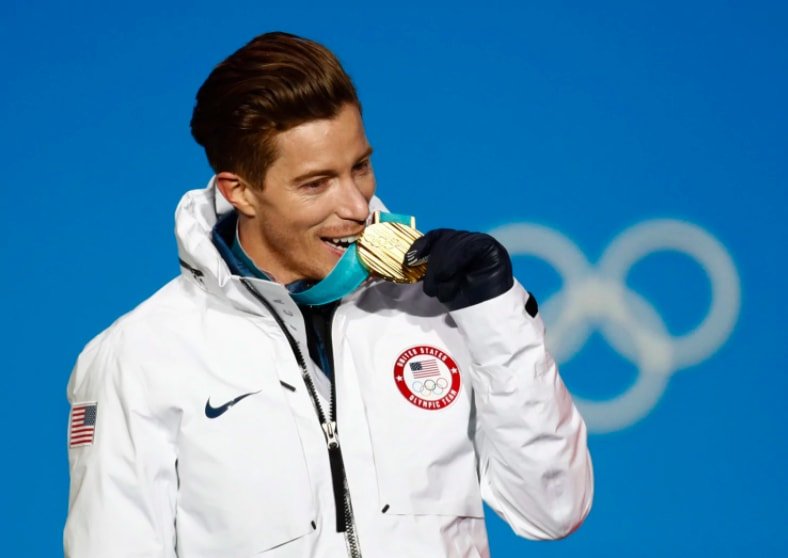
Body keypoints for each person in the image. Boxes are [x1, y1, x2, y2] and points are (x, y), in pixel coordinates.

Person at [64, 31, 593, 557]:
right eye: (316, 183)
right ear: (239, 191)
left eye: (359, 167)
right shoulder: (139, 356)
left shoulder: (442, 309)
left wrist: (497, 313)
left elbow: (553, 509)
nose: (357, 206)